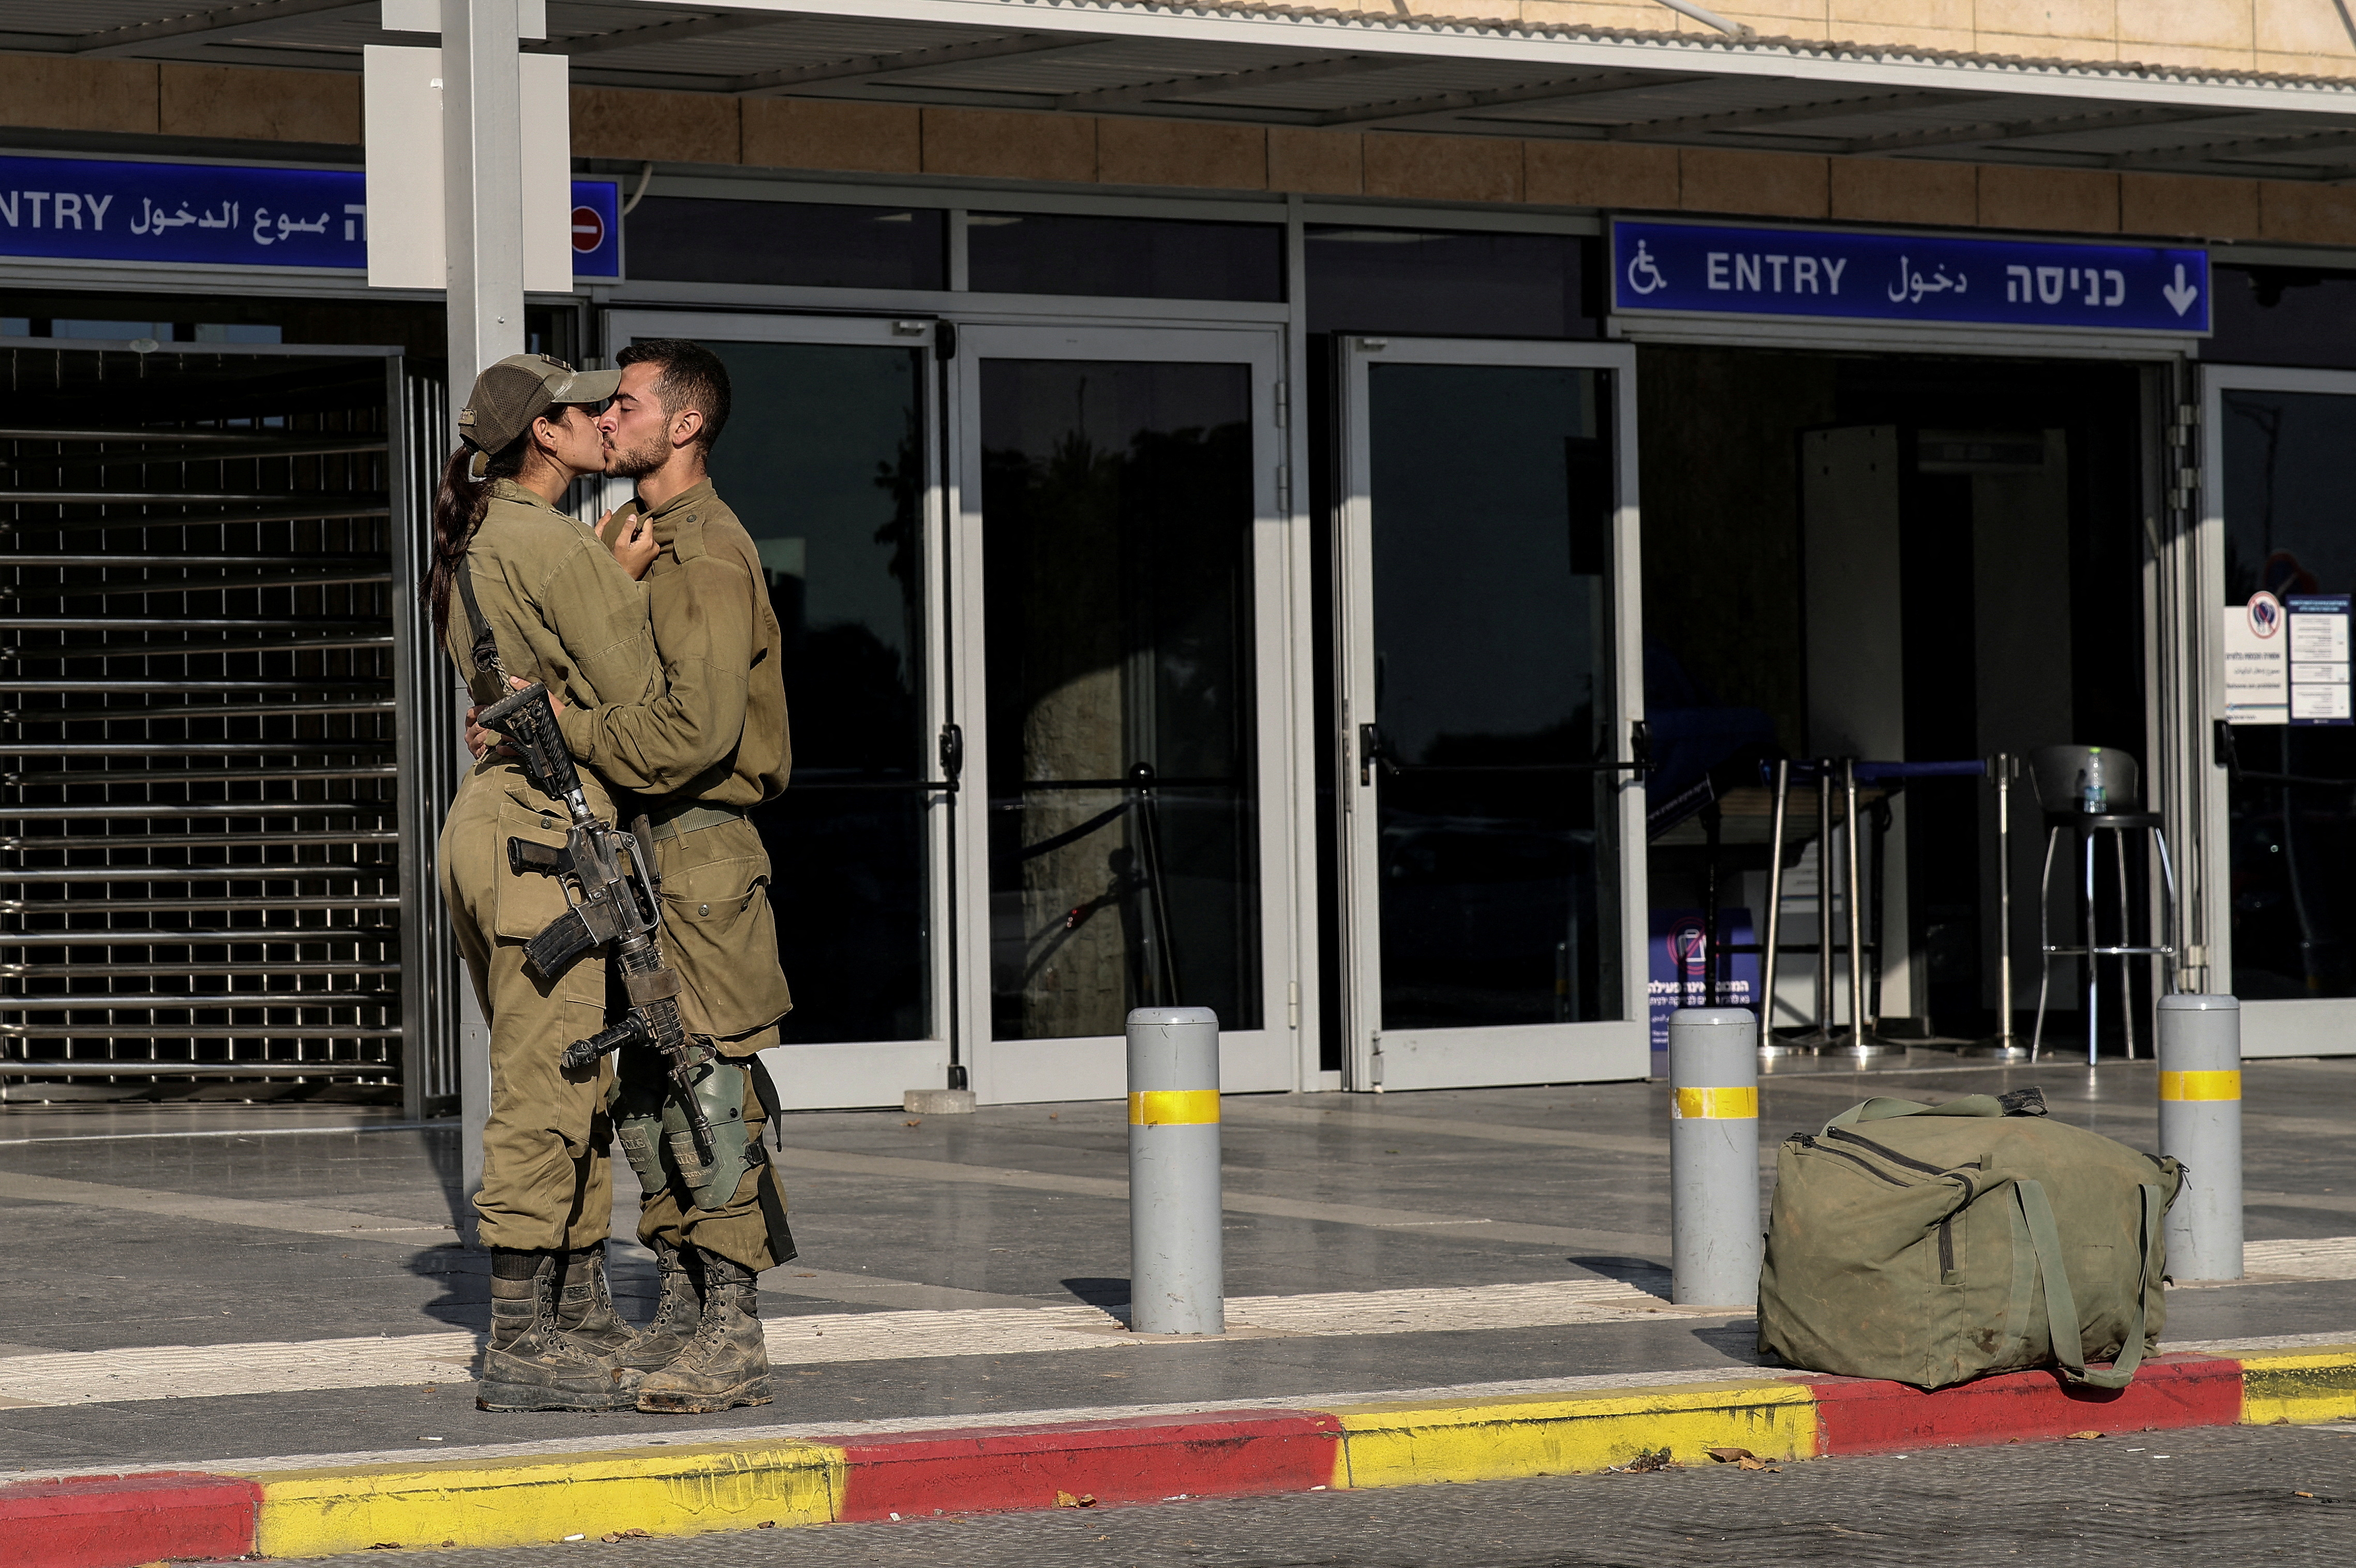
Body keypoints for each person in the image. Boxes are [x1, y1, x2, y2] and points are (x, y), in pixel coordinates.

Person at [472, 340, 798, 1415]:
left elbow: (687, 735)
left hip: (698, 848)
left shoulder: (709, 553)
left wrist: (556, 723)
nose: (607, 419)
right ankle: (681, 1308)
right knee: (646, 1090)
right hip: (637, 848)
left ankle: (733, 1328)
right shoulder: (633, 539)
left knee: (709, 1082)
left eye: (627, 404)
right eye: (602, 406)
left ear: (686, 425)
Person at [427, 353, 653, 1413]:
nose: (604, 416)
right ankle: (520, 1342)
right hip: (544, 836)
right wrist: (619, 579)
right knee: (547, 1084)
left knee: (575, 1072)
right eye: (582, 408)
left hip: (490, 824)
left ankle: (577, 1307)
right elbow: (642, 697)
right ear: (543, 437)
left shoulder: (477, 538)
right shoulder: (557, 546)